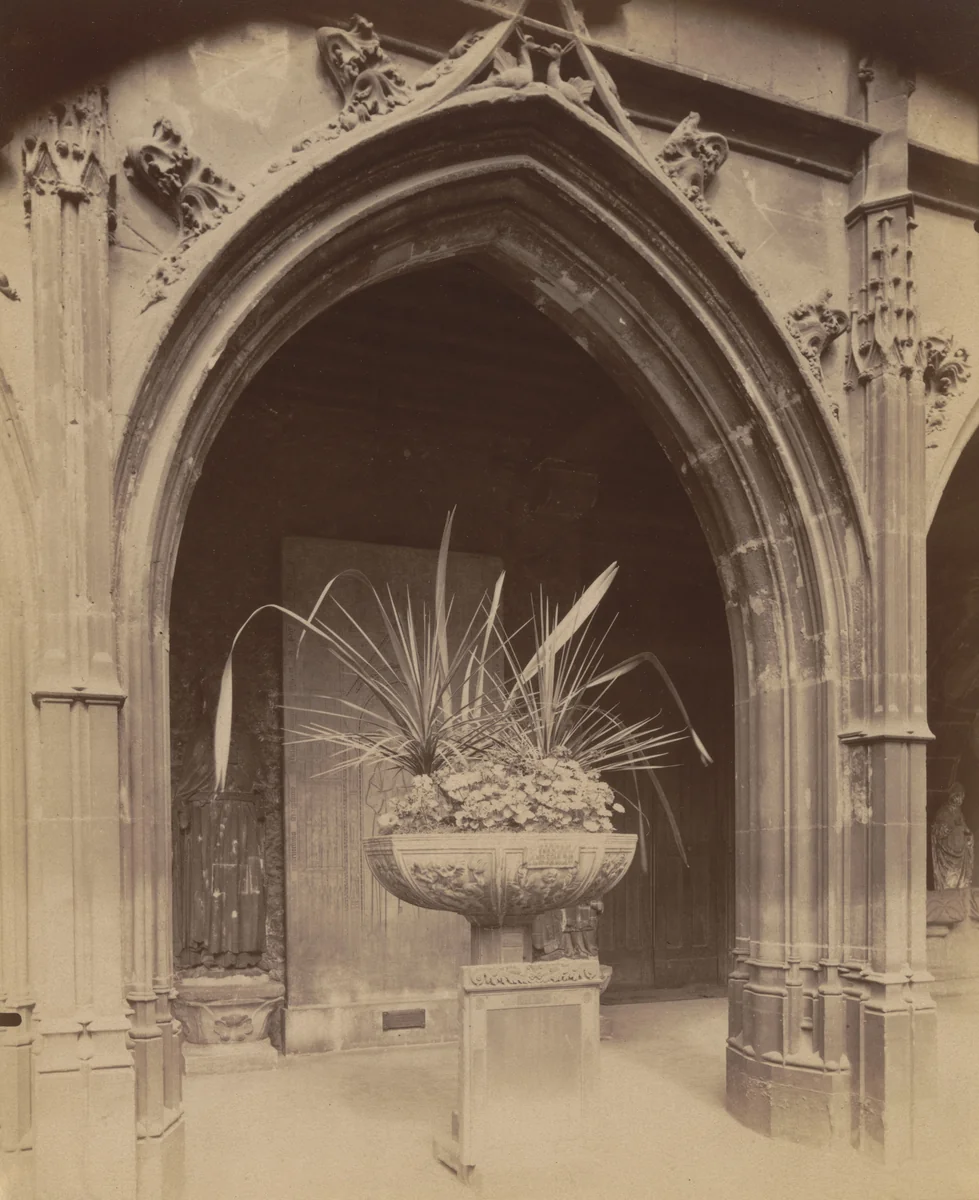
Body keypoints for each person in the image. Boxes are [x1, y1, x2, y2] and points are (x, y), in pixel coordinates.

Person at [931, 782, 975, 890]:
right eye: (958, 796)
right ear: (952, 796)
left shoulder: (959, 813)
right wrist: (953, 828)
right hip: (947, 856)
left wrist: (968, 834)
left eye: (962, 797)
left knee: (961, 885)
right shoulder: (942, 812)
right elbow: (939, 832)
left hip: (960, 856)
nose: (960, 800)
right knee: (949, 883)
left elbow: (964, 827)